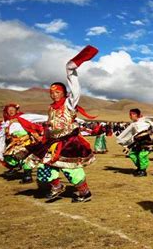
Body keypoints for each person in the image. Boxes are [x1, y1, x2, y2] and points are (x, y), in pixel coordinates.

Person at [24, 46, 98, 202]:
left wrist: (71, 73)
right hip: (52, 142)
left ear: (64, 93)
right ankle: (57, 186)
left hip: (69, 142)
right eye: (51, 92)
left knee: (70, 169)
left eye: (57, 92)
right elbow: (50, 125)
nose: (54, 94)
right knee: (44, 165)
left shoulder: (69, 104)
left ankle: (84, 192)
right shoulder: (51, 108)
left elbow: (75, 90)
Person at [0, 104, 45, 183]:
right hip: (15, 141)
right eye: (9, 110)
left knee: (18, 155)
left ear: (16, 110)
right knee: (12, 156)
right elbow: (0, 128)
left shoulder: (24, 117)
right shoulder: (7, 121)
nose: (11, 111)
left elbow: (40, 117)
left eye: (12, 109)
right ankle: (24, 174)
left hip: (26, 140)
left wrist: (52, 118)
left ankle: (22, 172)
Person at [116, 110, 153, 176]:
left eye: (131, 114)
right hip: (137, 143)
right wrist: (128, 146)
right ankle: (139, 167)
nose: (130, 116)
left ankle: (143, 171)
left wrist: (130, 145)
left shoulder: (144, 123)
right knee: (132, 154)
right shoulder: (134, 124)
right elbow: (134, 135)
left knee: (142, 155)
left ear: (136, 115)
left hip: (146, 143)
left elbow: (145, 134)